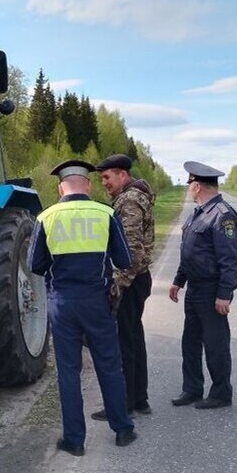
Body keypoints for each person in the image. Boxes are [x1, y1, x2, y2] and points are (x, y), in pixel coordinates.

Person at [28, 159, 137, 455]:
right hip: (97, 301)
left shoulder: (46, 217)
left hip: (62, 303)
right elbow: (124, 260)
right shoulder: (106, 213)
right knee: (109, 364)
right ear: (87, 185)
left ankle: (74, 441)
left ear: (60, 187)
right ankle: (123, 429)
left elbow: (34, 264)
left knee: (68, 370)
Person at [168, 161, 237, 409]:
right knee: (190, 342)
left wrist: (224, 294)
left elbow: (229, 260)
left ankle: (221, 393)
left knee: (215, 344)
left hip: (211, 290)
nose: (189, 188)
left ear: (197, 186)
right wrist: (179, 281)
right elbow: (189, 251)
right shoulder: (198, 213)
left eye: (190, 184)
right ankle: (192, 389)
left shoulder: (223, 215)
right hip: (194, 288)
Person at [91, 153, 155, 420]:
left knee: (124, 344)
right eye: (101, 178)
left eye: (107, 177)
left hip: (131, 280)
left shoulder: (129, 200)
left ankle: (124, 404)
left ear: (122, 175)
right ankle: (139, 399)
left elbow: (132, 251)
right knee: (134, 338)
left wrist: (117, 285)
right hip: (139, 278)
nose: (104, 182)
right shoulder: (132, 196)